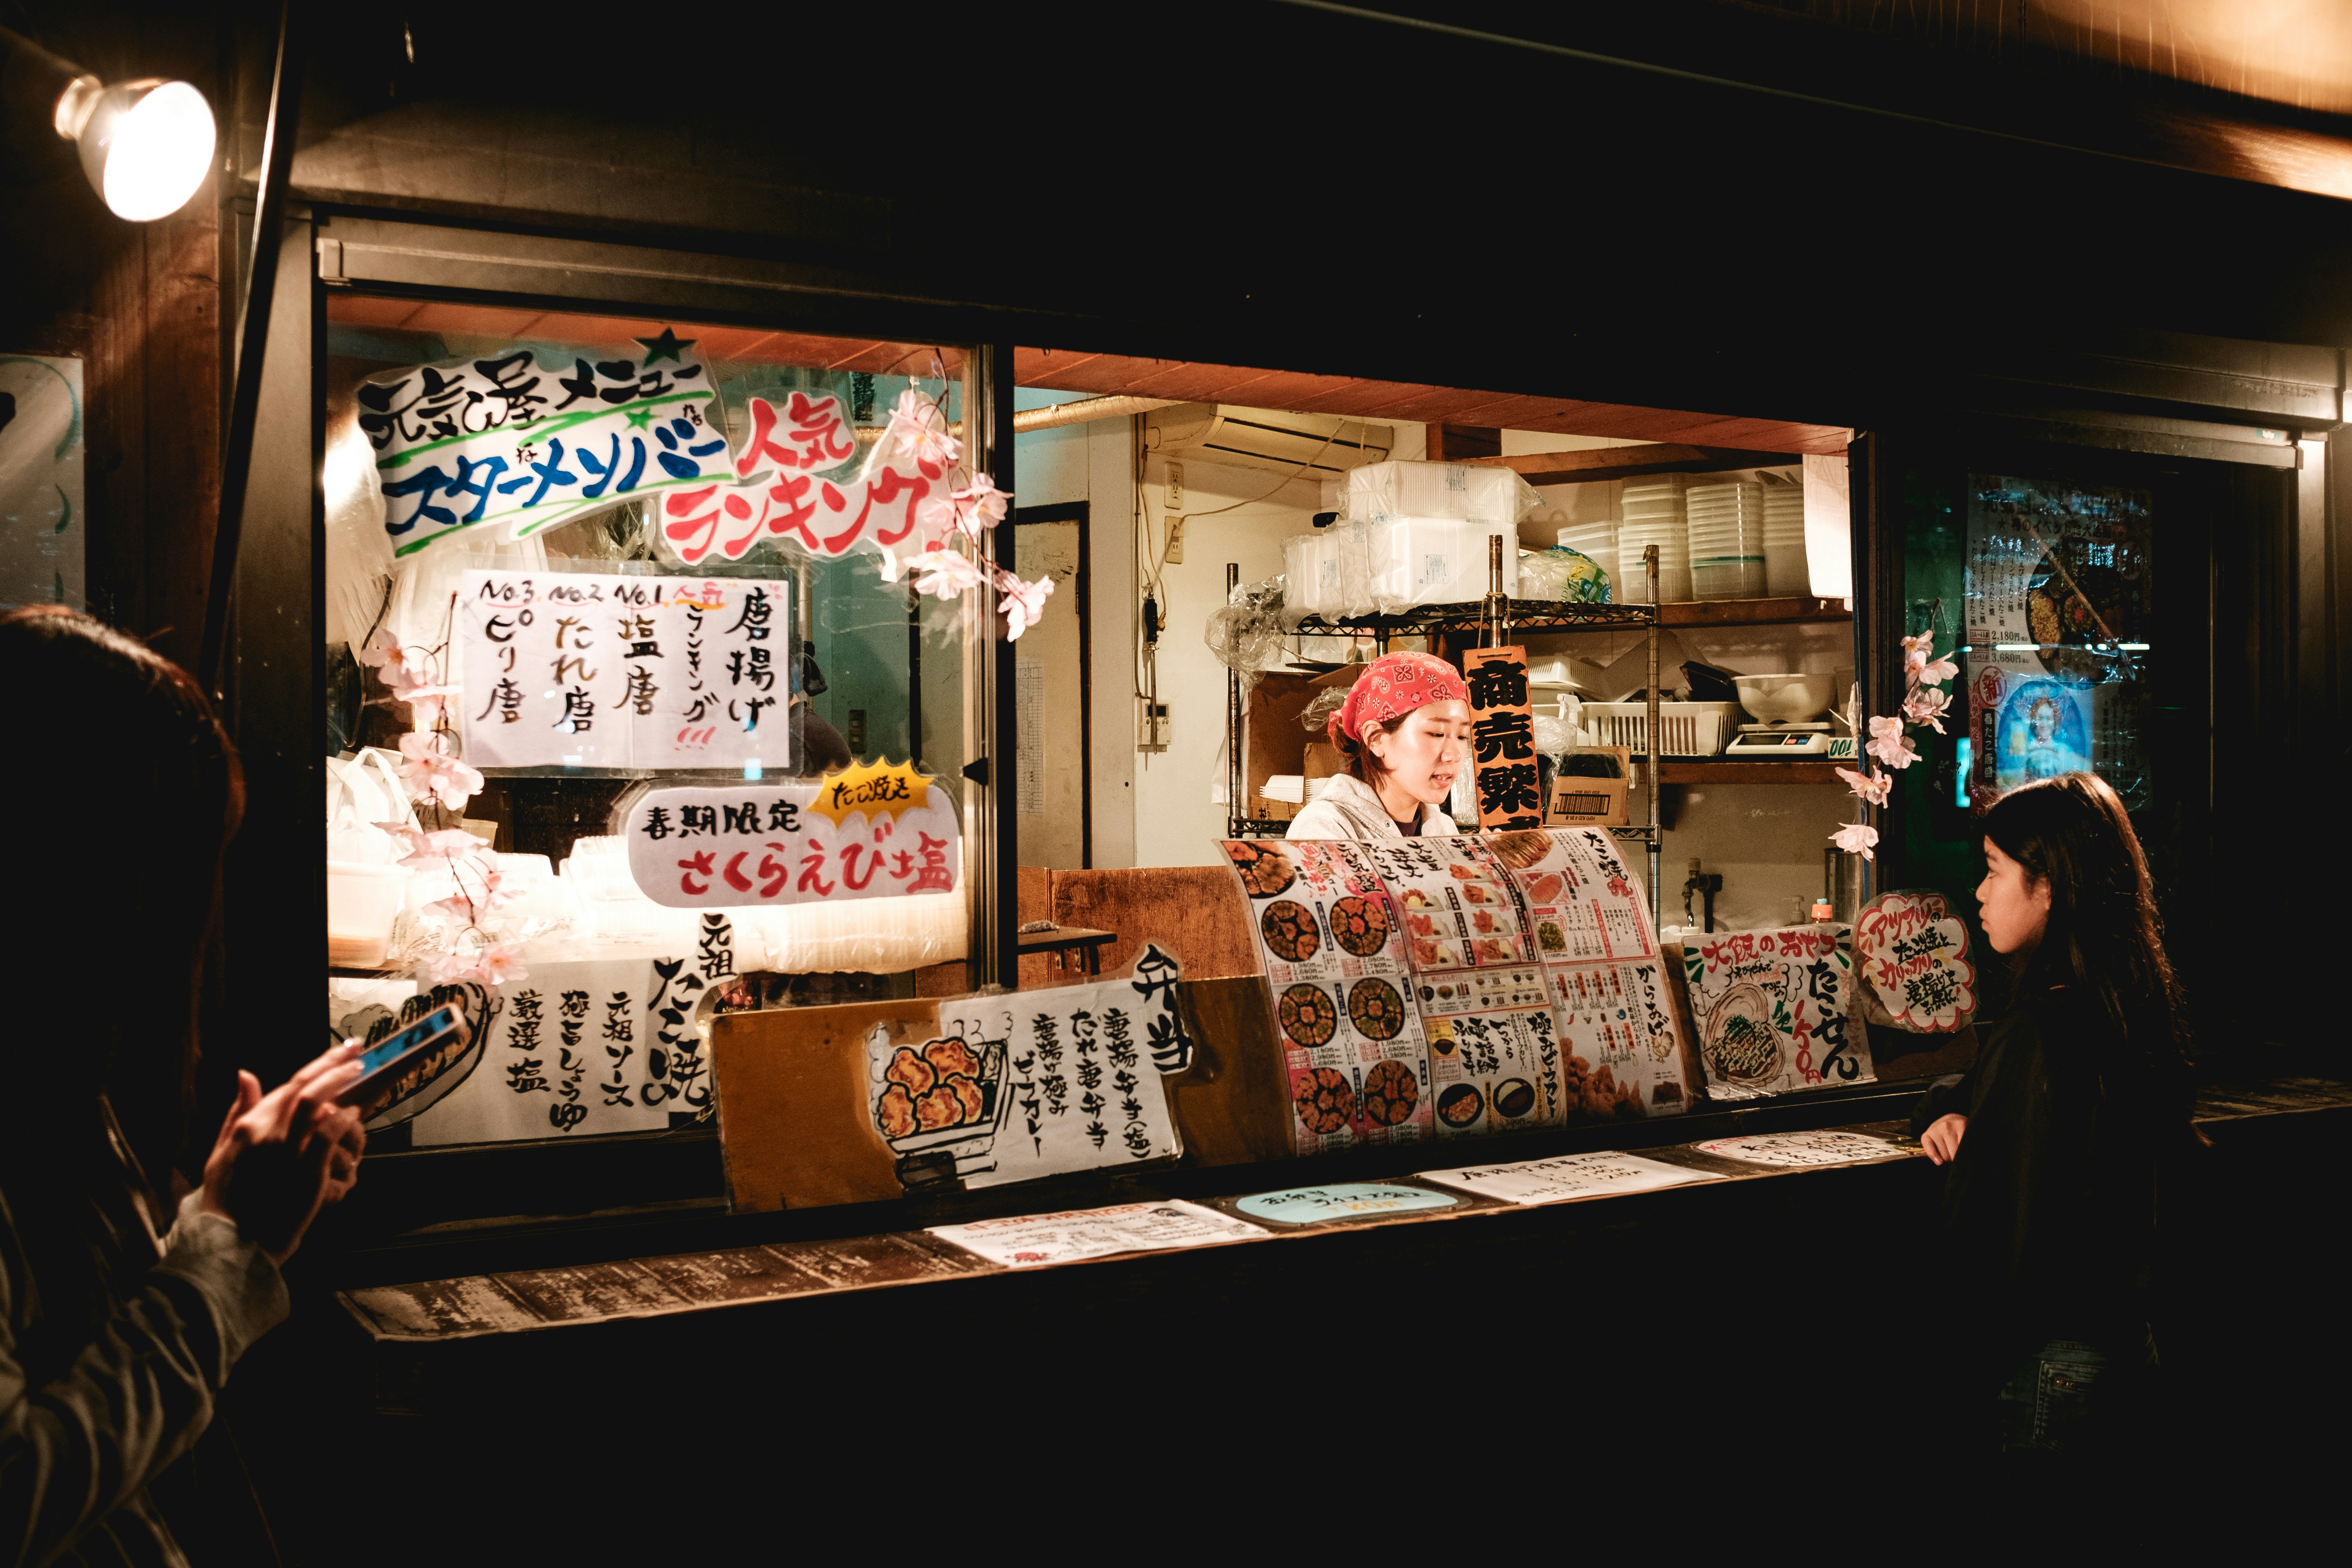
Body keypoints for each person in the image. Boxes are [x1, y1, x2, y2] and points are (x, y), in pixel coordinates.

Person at [0, 606, 368, 1565]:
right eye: (166, 871)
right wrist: (218, 1251)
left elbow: (61, 1337)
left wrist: (224, 1212)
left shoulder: (50, 1074)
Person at [1910, 770, 2194, 1469]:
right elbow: (1977, 1086)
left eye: (1993, 871)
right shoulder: (2129, 1006)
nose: (1978, 892)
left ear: (2048, 885)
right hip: (2130, 1343)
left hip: (2049, 1360)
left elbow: (2000, 1237)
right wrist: (1947, 1105)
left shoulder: (2039, 1029)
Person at [1289, 651, 1472, 840]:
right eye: (1437, 734)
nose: (1454, 755)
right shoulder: (1323, 829)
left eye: (1462, 736)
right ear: (1376, 739)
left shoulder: (1445, 830)